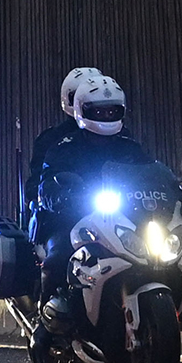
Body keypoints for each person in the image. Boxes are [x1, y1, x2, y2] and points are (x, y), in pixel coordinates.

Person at [37, 76, 151, 328]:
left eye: (112, 110)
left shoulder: (129, 146)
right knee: (56, 259)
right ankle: (43, 326)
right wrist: (58, 194)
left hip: (123, 220)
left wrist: (172, 187)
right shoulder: (64, 146)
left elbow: (151, 172)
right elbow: (47, 182)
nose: (106, 115)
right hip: (72, 220)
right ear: (82, 110)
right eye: (99, 110)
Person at [23, 67, 101, 230]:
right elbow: (36, 185)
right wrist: (58, 196)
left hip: (117, 218)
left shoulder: (121, 138)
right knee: (59, 252)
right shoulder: (52, 139)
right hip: (64, 220)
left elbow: (142, 169)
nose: (88, 101)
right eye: (81, 97)